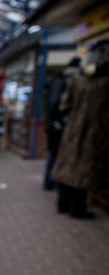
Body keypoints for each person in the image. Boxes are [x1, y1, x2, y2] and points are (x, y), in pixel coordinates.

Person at [52, 40, 109, 219]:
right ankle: (78, 208)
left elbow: (63, 105)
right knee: (86, 170)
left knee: (68, 167)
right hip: (95, 133)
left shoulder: (76, 79)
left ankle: (62, 204)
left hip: (73, 130)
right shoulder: (106, 81)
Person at [43, 57, 81, 190]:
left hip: (54, 124)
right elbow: (56, 107)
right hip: (57, 125)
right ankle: (54, 182)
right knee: (56, 153)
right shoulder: (64, 81)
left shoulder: (58, 80)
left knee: (54, 153)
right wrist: (60, 126)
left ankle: (51, 182)